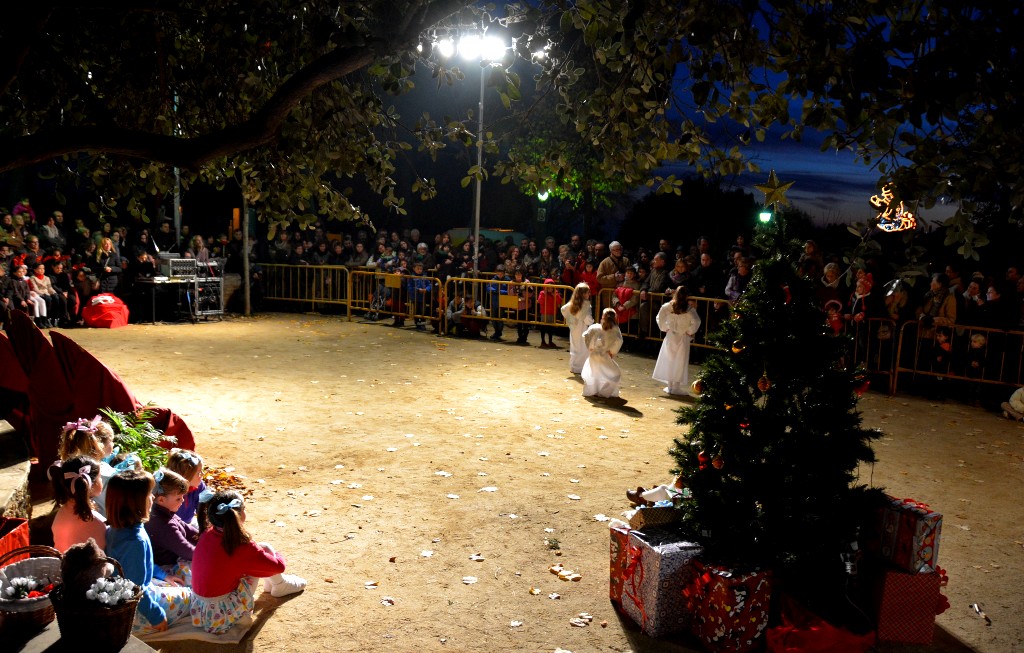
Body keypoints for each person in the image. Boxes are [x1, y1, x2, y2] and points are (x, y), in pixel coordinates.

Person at [190, 489, 306, 634]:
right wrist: (278, 554)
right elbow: (278, 567)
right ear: (238, 515)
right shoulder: (240, 544)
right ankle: (280, 584)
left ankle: (276, 584)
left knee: (260, 551)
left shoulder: (208, 533)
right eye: (244, 508)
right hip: (222, 613)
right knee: (266, 551)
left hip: (201, 609)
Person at [105, 469, 191, 634]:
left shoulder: (117, 527)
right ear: (135, 503)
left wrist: (163, 575)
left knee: (179, 582)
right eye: (148, 495)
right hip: (136, 609)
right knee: (192, 596)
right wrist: (156, 615)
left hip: (135, 594)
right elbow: (135, 589)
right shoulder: (134, 541)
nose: (152, 498)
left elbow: (143, 565)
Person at [146, 468, 199, 586]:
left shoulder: (166, 514)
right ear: (161, 499)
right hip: (165, 567)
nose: (183, 501)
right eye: (178, 498)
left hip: (175, 559)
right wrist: (210, 553)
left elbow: (189, 531)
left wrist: (207, 540)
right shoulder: (163, 525)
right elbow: (186, 550)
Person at [49, 456, 107, 553]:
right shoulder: (97, 521)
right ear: (91, 484)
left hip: (62, 565)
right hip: (86, 567)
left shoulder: (61, 512)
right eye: (100, 477)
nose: (101, 480)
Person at [652, 288, 702, 395]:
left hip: (670, 336)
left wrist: (665, 327)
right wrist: (689, 331)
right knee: (680, 361)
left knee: (670, 359)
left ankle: (670, 386)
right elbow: (697, 321)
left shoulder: (667, 306)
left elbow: (659, 318)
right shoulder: (689, 309)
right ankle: (675, 387)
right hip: (682, 337)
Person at [581, 308, 624, 399]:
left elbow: (586, 335)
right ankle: (603, 392)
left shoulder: (595, 328)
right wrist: (612, 352)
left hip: (594, 356)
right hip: (604, 356)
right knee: (615, 374)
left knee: (595, 374)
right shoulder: (615, 330)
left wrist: (591, 348)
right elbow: (619, 341)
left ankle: (594, 390)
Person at [560, 283, 595, 374]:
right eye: (587, 293)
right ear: (582, 294)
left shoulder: (571, 304)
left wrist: (570, 319)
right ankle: (581, 367)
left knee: (575, 346)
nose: (589, 295)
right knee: (583, 347)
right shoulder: (586, 305)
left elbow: (563, 309)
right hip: (583, 328)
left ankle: (574, 366)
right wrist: (591, 322)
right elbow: (588, 320)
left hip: (574, 327)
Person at [165, 449, 206, 526]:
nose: (202, 474)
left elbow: (203, 511)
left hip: (188, 524)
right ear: (185, 475)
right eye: (198, 472)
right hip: (170, 526)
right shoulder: (170, 492)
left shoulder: (199, 486)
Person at [537, 278, 563, 349]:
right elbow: (540, 301)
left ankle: (550, 341)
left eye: (551, 287)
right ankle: (543, 341)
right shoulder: (542, 293)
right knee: (543, 327)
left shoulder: (555, 293)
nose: (550, 289)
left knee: (550, 328)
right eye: (548, 287)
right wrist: (544, 294)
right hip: (544, 313)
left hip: (552, 312)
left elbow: (559, 301)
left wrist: (555, 295)